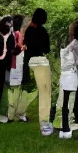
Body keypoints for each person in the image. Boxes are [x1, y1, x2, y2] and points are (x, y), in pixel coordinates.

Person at [24, 8, 53, 136]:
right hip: (41, 62)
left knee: (38, 90)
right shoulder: (42, 31)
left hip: (29, 61)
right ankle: (44, 124)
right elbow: (46, 49)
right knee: (45, 92)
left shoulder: (28, 30)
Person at [7, 15, 37, 123]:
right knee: (22, 91)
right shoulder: (19, 35)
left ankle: (11, 115)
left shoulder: (11, 35)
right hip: (19, 65)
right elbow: (21, 48)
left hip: (13, 66)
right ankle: (20, 114)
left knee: (13, 91)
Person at [58, 22, 78, 139]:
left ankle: (65, 128)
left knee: (65, 103)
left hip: (65, 75)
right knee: (74, 99)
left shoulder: (71, 44)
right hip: (74, 75)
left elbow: (65, 54)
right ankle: (72, 125)